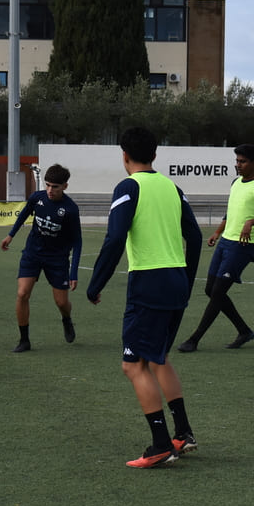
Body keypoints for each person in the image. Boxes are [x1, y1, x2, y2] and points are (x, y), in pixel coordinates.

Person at [87, 127, 202, 469]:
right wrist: (187, 278)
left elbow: (115, 238)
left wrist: (96, 283)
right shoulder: (172, 187)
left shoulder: (128, 187)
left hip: (148, 283)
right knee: (158, 358)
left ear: (124, 155)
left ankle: (159, 444)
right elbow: (194, 237)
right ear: (155, 155)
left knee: (133, 364)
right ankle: (183, 433)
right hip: (176, 280)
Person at [177, 144, 254, 352]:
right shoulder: (235, 183)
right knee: (210, 290)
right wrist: (217, 232)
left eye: (243, 161)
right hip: (225, 242)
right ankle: (244, 330)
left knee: (218, 291)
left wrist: (251, 222)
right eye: (237, 161)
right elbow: (230, 212)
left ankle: (194, 339)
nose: (238, 165)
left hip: (243, 246)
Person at [0, 164, 83, 352]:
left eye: (55, 186)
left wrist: (74, 272)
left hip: (57, 259)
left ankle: (66, 319)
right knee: (22, 294)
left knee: (61, 302)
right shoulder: (37, 198)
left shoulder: (70, 209)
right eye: (47, 185)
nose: (50, 190)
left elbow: (77, 242)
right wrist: (10, 234)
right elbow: (24, 214)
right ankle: (24, 340)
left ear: (65, 187)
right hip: (33, 254)